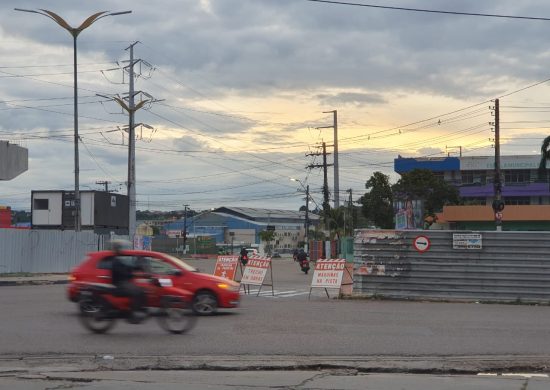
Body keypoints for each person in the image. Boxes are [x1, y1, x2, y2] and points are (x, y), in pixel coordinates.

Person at [110, 240, 146, 323]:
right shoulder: (115, 260)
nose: (120, 250)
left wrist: (135, 268)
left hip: (123, 282)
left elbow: (125, 267)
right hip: (120, 284)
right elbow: (122, 272)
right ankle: (132, 314)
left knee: (139, 290)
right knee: (137, 292)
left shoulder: (117, 259)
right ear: (116, 249)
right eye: (119, 248)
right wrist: (132, 274)